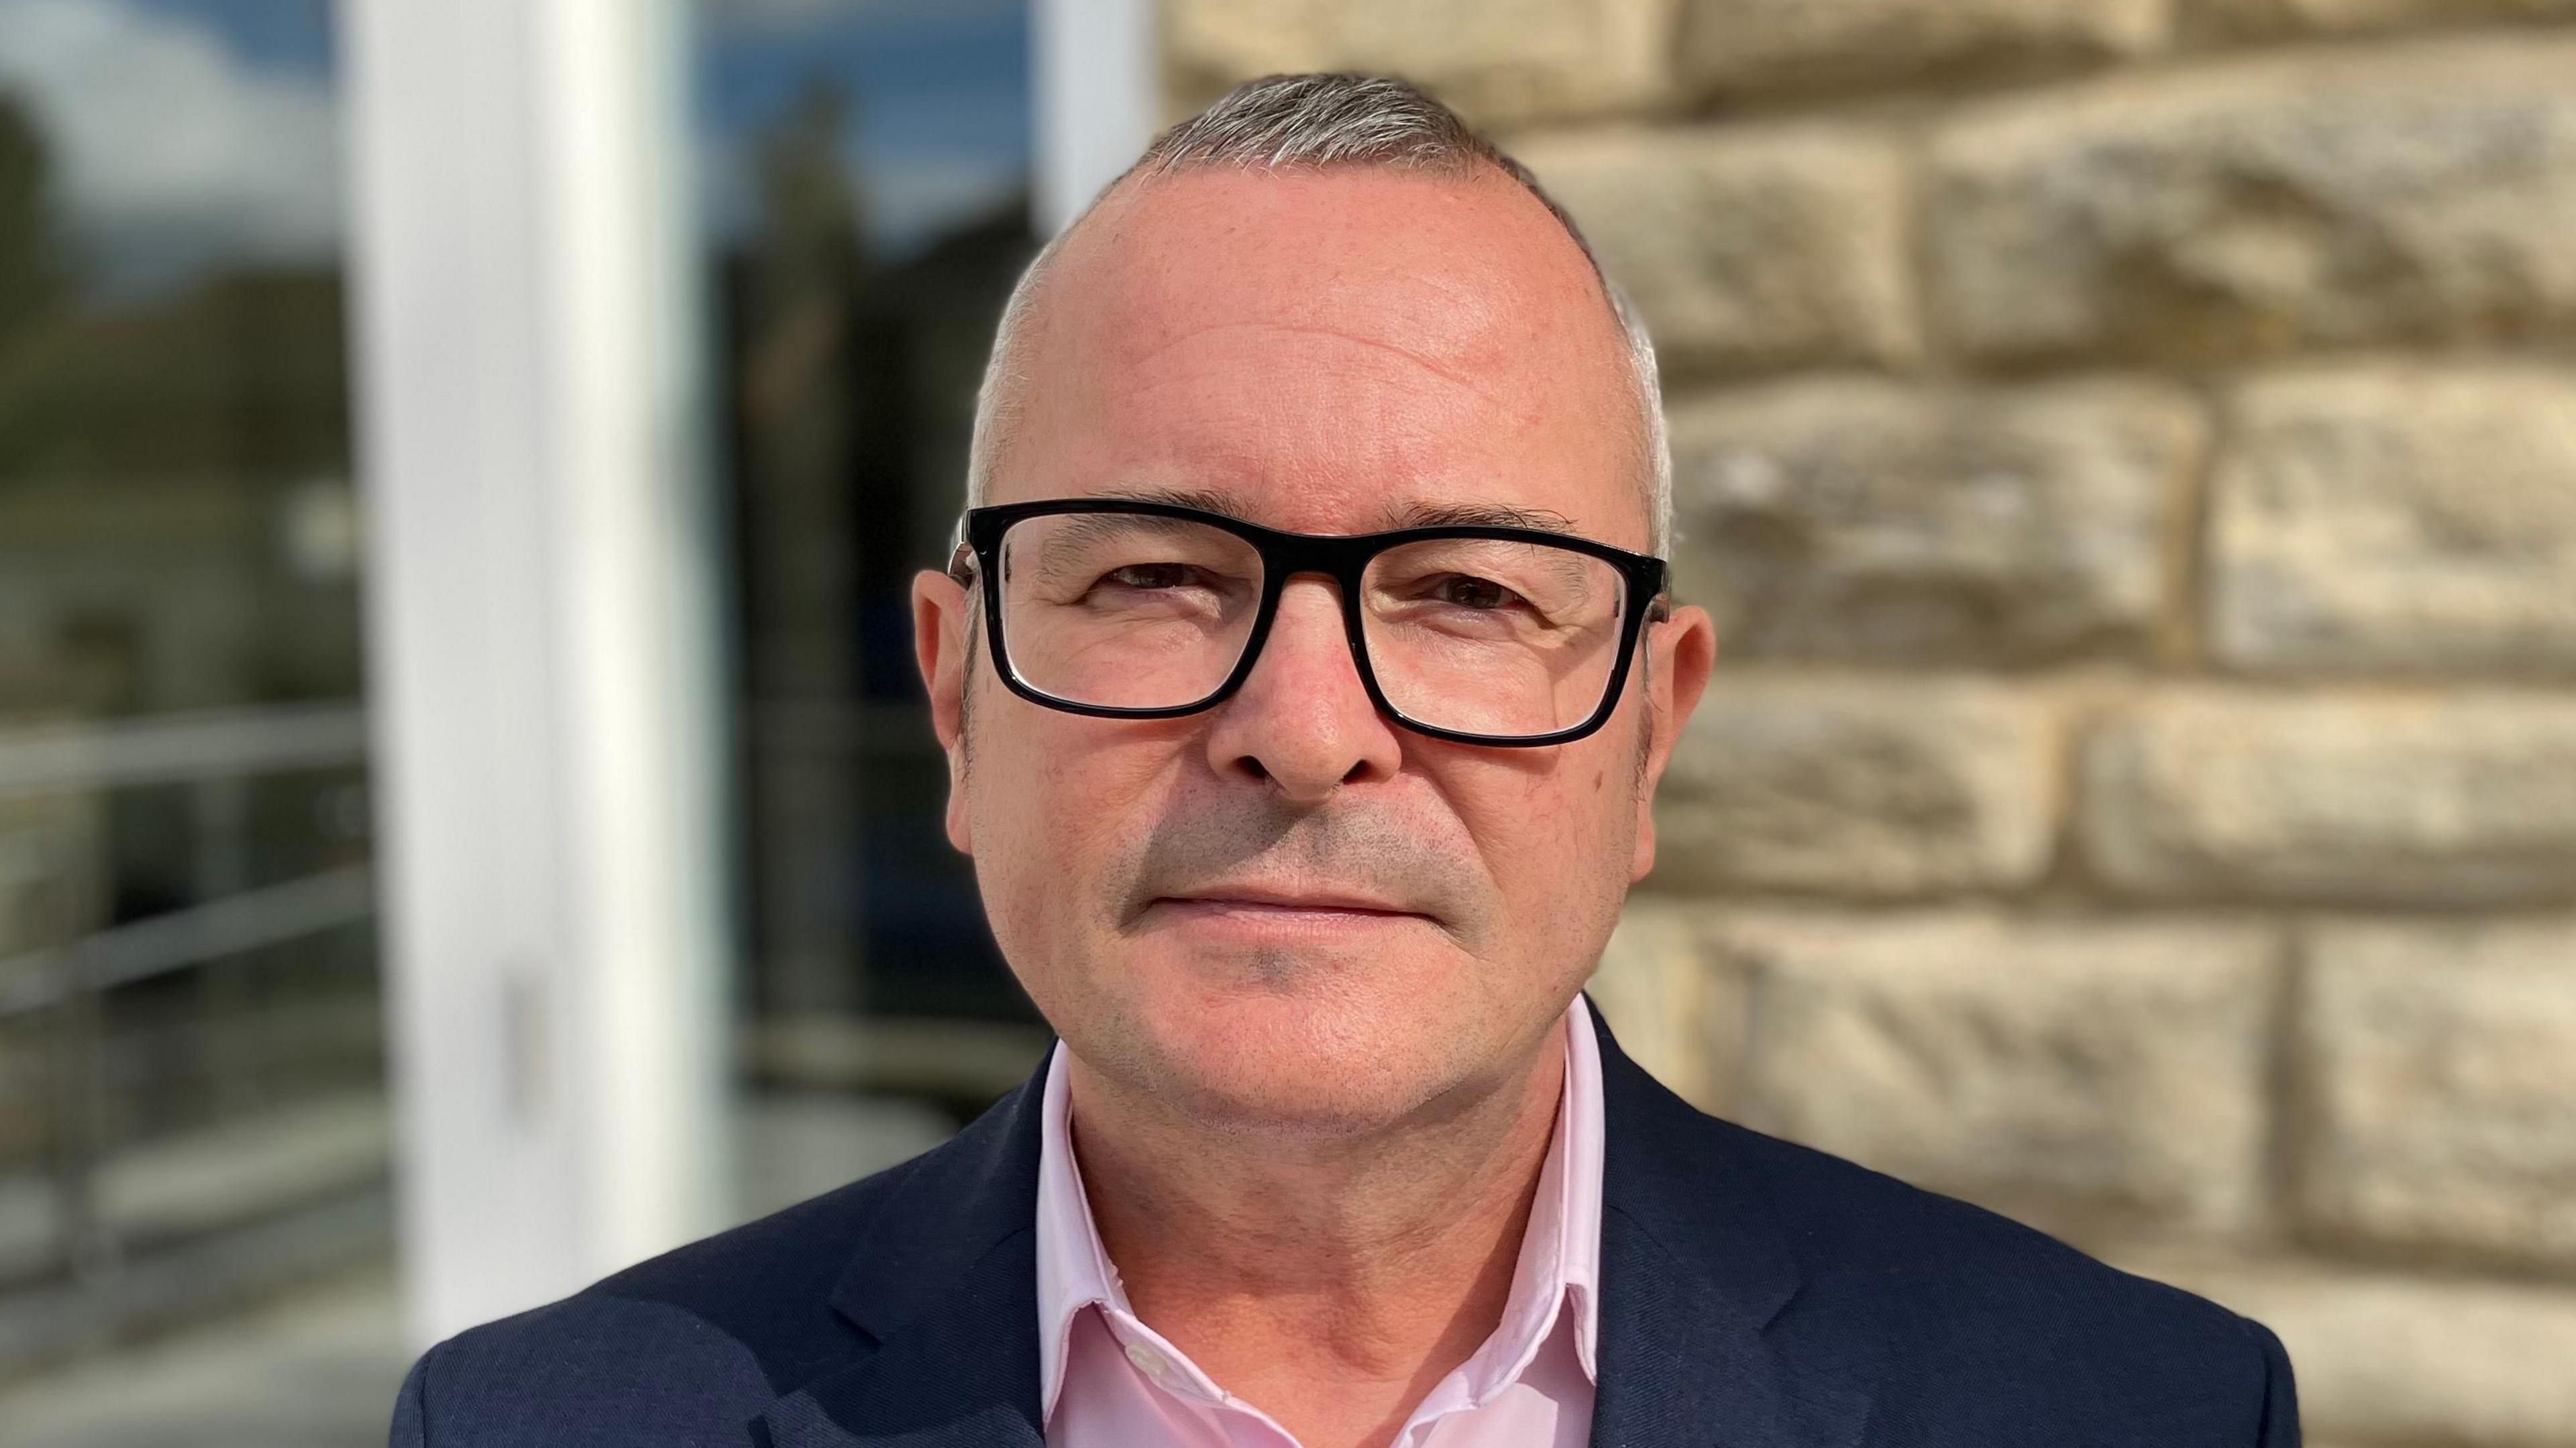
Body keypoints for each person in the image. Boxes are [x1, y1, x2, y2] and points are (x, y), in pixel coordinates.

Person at [390, 73, 2300, 1448]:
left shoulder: (2126, 1411)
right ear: (958, 697)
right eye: (1151, 573)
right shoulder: (543, 1424)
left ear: (1649, 732)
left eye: (1469, 594)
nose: (1305, 732)